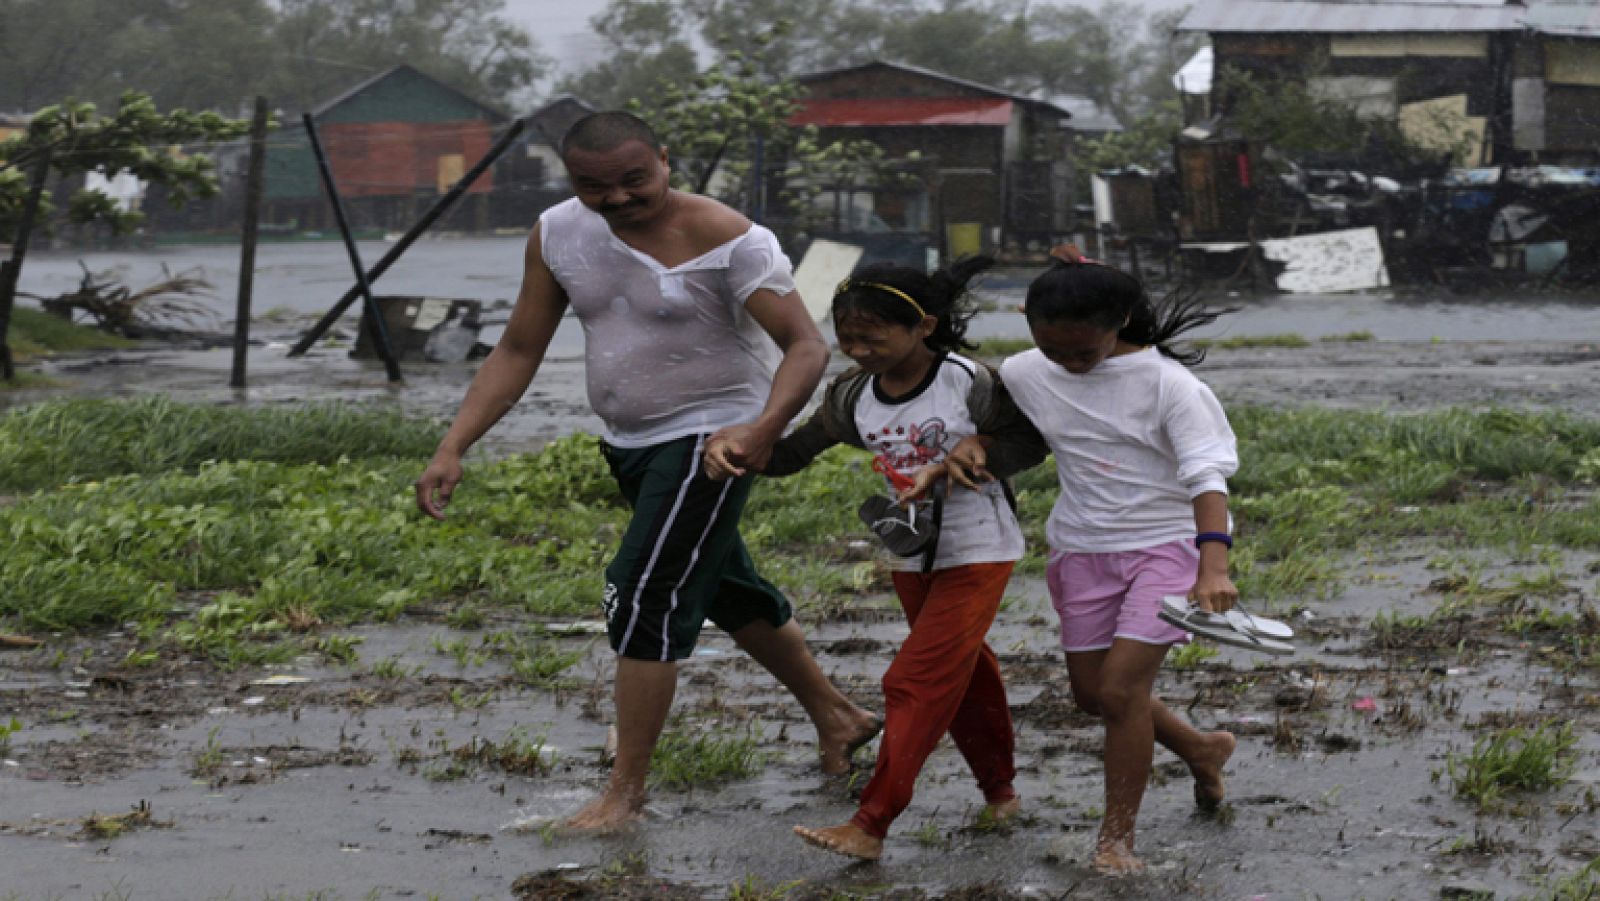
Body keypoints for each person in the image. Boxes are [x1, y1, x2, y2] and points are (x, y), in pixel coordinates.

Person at [414, 111, 881, 831]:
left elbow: (806, 348)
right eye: (594, 185)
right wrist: (454, 445)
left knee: (644, 591)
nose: (618, 198)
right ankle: (839, 715)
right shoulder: (558, 232)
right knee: (725, 584)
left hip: (709, 442)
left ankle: (623, 793)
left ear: (665, 159)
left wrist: (762, 429)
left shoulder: (729, 237)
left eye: (635, 179)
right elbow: (517, 346)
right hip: (628, 441)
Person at [706, 257, 1047, 861]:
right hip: (912, 555)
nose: (858, 349)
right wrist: (740, 440)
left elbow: (1029, 442)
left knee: (912, 681)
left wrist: (980, 447)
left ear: (923, 327)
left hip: (979, 548)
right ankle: (1001, 792)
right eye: (848, 337)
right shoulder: (851, 396)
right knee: (966, 675)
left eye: (874, 336)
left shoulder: (967, 379)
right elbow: (791, 454)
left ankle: (871, 823)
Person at [974, 244, 1240, 875]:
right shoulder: (1022, 371)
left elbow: (1207, 476)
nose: (1068, 364)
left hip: (1171, 546)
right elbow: (1001, 423)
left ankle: (1116, 840)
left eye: (1083, 352)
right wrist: (972, 441)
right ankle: (1201, 749)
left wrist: (1214, 565)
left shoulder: (1173, 386)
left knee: (1122, 691)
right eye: (1053, 349)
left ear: (1119, 322)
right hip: (1082, 546)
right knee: (1092, 694)